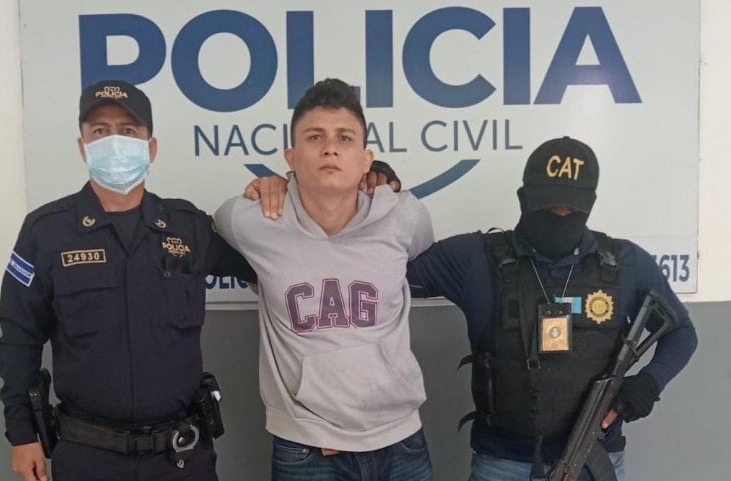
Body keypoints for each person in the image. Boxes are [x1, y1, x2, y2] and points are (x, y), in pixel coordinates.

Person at [0, 80, 258, 481]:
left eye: (128, 130)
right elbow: (18, 338)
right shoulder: (46, 232)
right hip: (88, 456)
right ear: (82, 146)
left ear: (151, 147)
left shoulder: (188, 228)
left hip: (180, 457)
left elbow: (270, 265)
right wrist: (21, 433)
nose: (114, 142)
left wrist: (285, 188)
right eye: (100, 131)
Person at [405, 136, 698, 480]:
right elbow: (384, 271)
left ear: (590, 204)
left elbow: (681, 332)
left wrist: (649, 381)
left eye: (570, 208)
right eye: (548, 206)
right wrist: (384, 199)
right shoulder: (476, 258)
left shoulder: (625, 263)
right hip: (503, 461)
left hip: (595, 455)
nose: (560, 214)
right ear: (523, 198)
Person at [214, 78, 435, 481]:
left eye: (344, 138)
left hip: (400, 440)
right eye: (314, 137)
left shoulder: (404, 215)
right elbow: (217, 223)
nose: (330, 148)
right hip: (306, 448)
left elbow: (421, 250)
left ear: (367, 160)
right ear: (291, 156)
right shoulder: (250, 221)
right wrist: (271, 185)